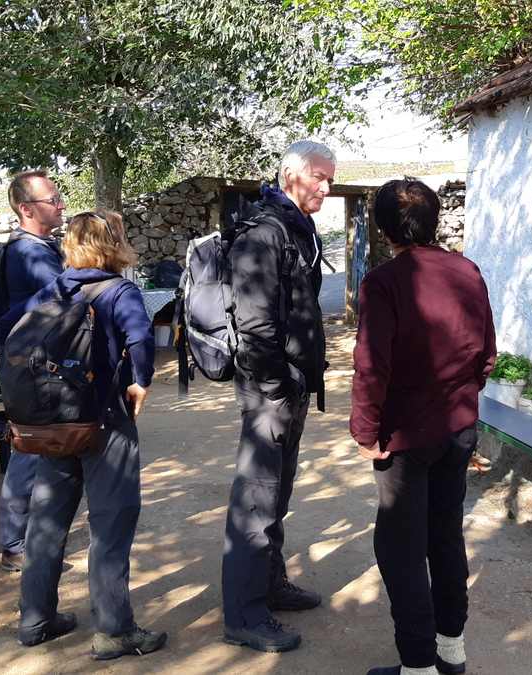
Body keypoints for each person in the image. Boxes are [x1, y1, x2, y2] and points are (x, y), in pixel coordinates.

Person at [5, 209, 166, 660]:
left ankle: (35, 620)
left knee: (46, 523)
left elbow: (7, 332)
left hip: (52, 424)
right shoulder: (120, 291)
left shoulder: (55, 288)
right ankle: (114, 631)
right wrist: (140, 382)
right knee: (110, 526)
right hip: (103, 422)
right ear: (115, 243)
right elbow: (140, 341)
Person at [349, 180, 497, 675]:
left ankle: (418, 666)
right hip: (457, 427)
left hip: (406, 437)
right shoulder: (466, 271)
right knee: (445, 536)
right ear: (433, 222)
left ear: (384, 228)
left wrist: (366, 431)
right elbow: (487, 354)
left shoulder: (384, 282)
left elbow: (374, 367)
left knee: (401, 547)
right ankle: (450, 651)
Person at [221, 140, 333, 653]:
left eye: (331, 178)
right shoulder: (264, 233)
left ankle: (270, 584)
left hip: (289, 387)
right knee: (256, 499)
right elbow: (255, 323)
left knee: (277, 494)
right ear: (290, 175)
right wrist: (276, 385)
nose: (327, 188)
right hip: (272, 391)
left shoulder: (293, 228)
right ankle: (245, 615)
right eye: (319, 178)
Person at [0, 169, 66, 573]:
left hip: (34, 362)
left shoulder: (39, 247)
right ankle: (15, 544)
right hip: (34, 367)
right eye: (52, 200)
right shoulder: (31, 252)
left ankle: (23, 539)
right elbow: (66, 293)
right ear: (26, 209)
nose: (60, 206)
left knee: (36, 449)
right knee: (30, 450)